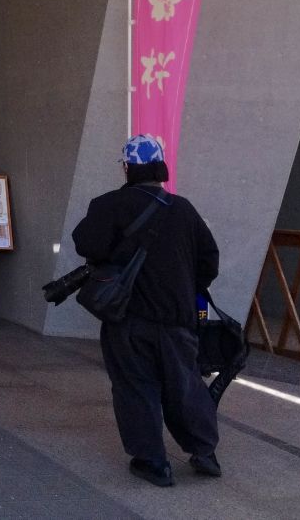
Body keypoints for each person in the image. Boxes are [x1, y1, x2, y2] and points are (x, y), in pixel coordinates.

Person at [72, 134, 221, 488]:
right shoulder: (183, 209)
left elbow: (86, 244)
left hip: (127, 317)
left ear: (127, 168)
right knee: (185, 384)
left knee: (135, 386)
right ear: (160, 167)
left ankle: (153, 461)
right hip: (177, 318)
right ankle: (204, 451)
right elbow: (209, 261)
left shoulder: (108, 205)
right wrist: (183, 288)